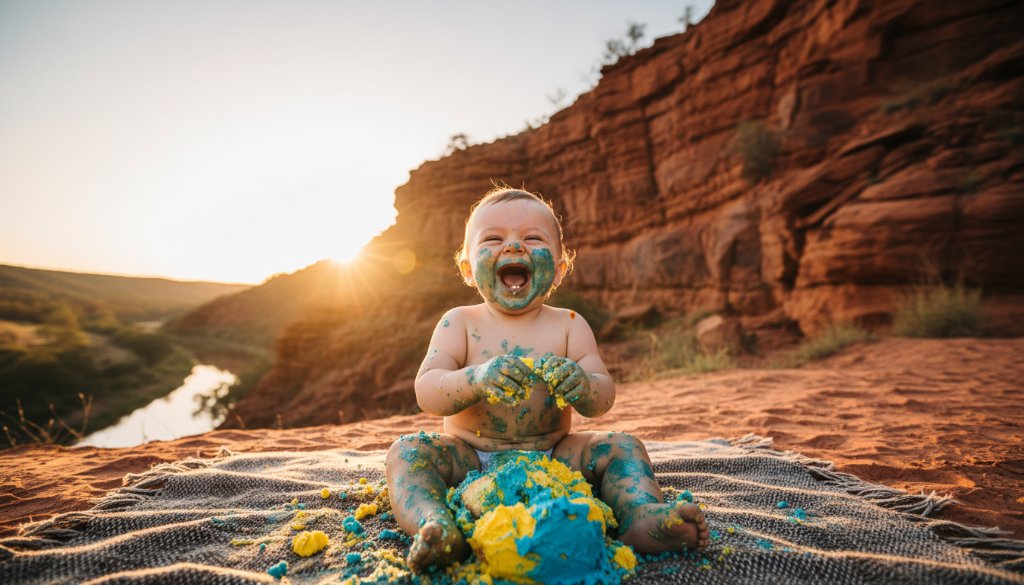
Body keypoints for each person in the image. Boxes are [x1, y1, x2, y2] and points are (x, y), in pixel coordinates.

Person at [385, 187, 710, 572]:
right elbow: (428, 389)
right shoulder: (459, 322)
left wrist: (583, 385)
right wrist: (477, 377)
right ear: (468, 268)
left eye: (533, 238)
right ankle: (436, 524)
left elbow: (602, 396)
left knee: (623, 446)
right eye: (493, 239)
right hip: (469, 458)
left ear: (558, 269)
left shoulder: (570, 325)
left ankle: (641, 515)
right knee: (407, 452)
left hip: (556, 457)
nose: (514, 247)